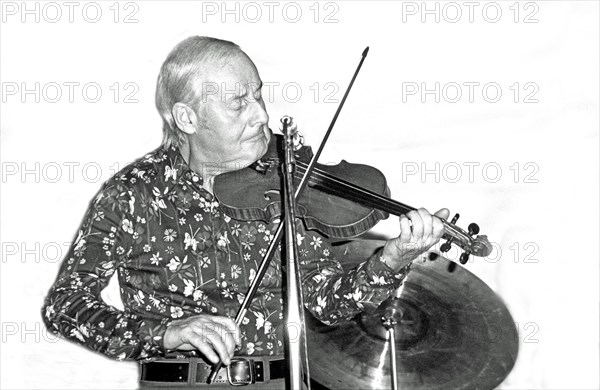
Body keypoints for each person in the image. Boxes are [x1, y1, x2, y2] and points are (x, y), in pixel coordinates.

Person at [41, 36, 449, 388]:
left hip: (283, 381)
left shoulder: (287, 183)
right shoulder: (133, 194)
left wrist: (394, 259)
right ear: (187, 117)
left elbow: (328, 303)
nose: (262, 116)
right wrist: (166, 333)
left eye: (258, 95)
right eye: (239, 104)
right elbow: (66, 307)